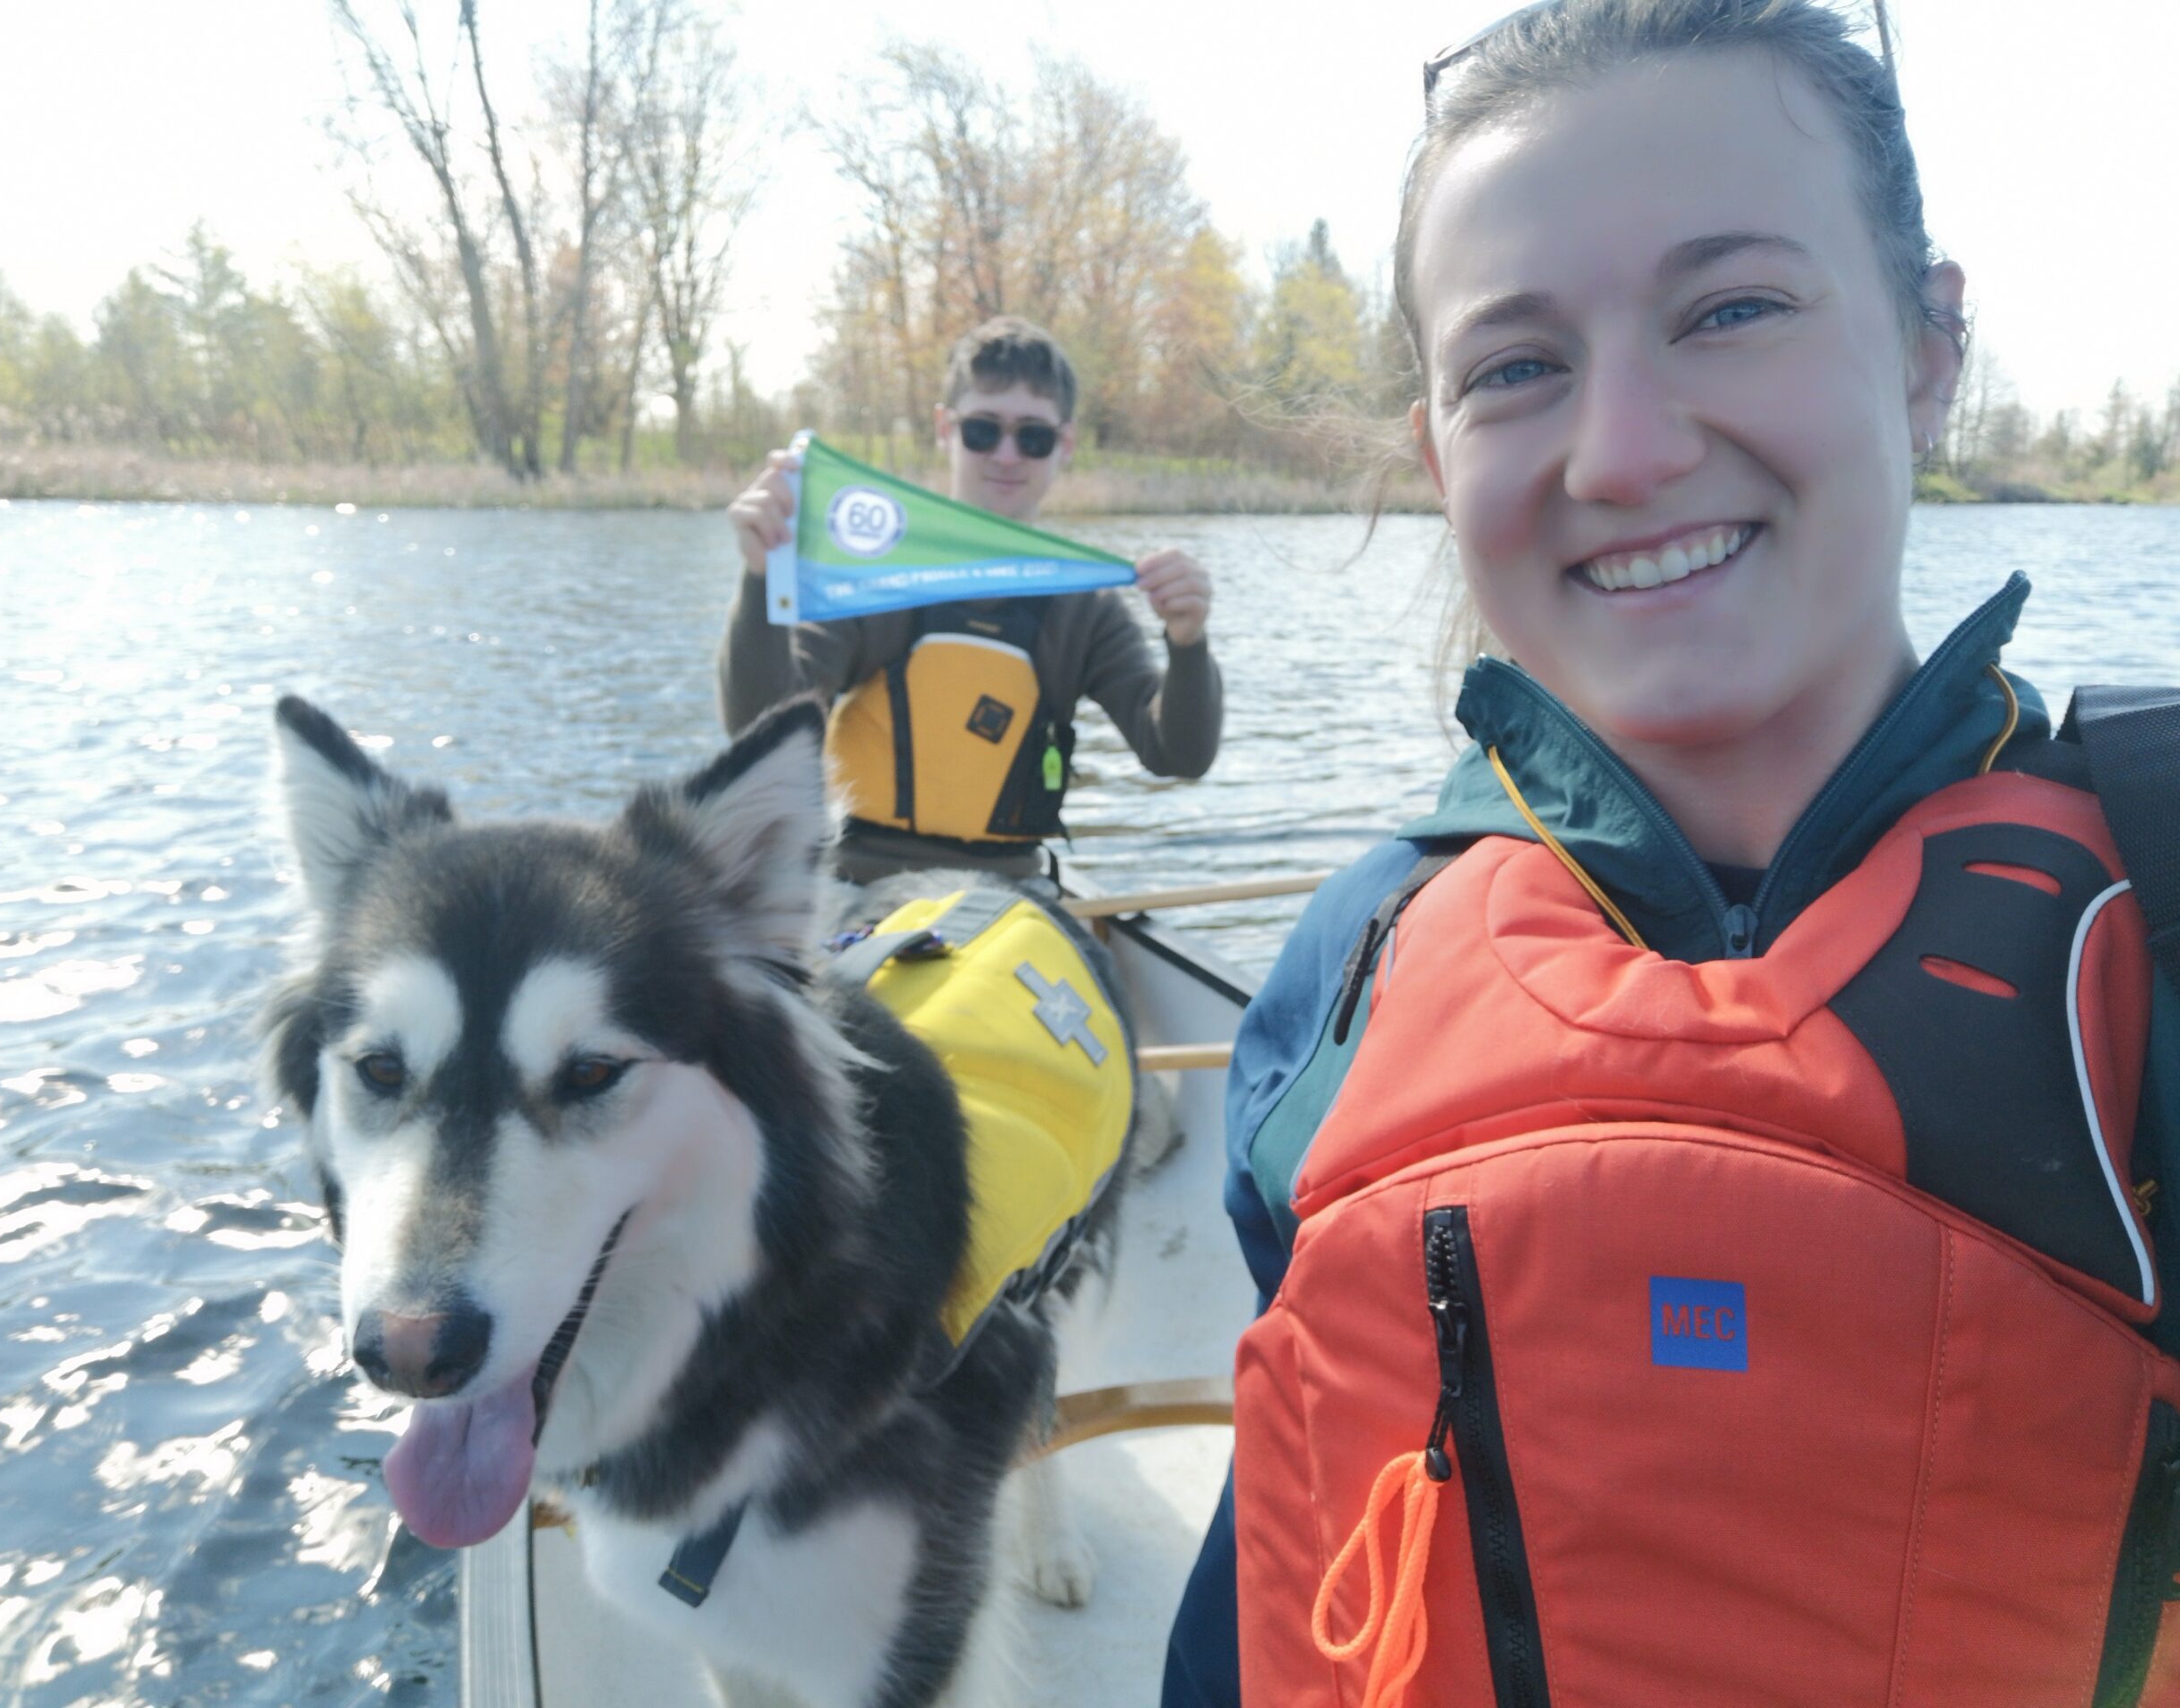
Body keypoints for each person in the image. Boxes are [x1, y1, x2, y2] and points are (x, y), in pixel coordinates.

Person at [1164, 1, 2180, 1703]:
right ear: (1437, 453)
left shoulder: (2154, 929)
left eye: (1733, 310)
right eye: (1516, 368)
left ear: (1930, 350)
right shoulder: (1350, 970)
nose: (1624, 451)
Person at [716, 316, 1223, 885]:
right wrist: (763, 578)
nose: (1006, 455)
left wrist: (1188, 642)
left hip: (1012, 894)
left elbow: (1179, 755)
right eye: (983, 431)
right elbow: (759, 727)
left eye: (1033, 437)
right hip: (861, 885)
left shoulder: (1087, 607)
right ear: (945, 429)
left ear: (1065, 445)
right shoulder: (877, 575)